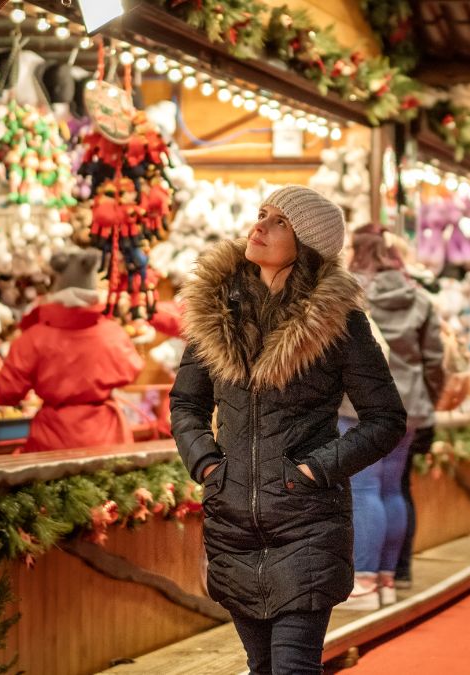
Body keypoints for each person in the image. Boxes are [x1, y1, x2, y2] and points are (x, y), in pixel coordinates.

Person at [171, 186, 407, 674]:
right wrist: (209, 466)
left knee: (292, 667)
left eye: (278, 221)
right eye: (261, 214)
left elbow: (386, 420)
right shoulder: (216, 314)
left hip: (307, 523)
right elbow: (186, 403)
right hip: (233, 524)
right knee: (261, 669)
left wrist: (315, 470)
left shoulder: (338, 322)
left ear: (307, 244)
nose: (259, 227)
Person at [336, 225, 444, 609]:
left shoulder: (348, 294)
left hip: (359, 406)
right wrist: (428, 400)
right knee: (391, 489)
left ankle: (363, 583)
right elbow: (434, 361)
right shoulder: (420, 298)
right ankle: (385, 579)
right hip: (410, 406)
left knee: (364, 490)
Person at [0, 249, 143, 452]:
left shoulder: (35, 338)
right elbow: (133, 369)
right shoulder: (113, 333)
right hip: (109, 439)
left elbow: (5, 390)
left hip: (54, 441)